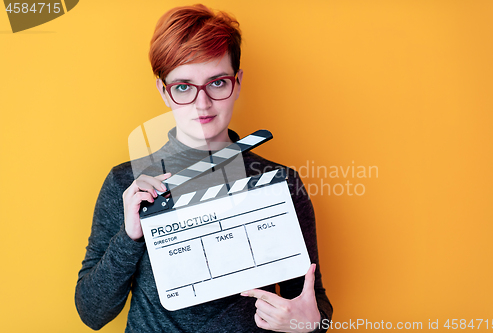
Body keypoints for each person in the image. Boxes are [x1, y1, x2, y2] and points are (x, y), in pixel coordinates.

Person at [75, 4, 333, 332]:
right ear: (164, 92)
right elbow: (92, 313)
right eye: (183, 86)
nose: (202, 103)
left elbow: (313, 302)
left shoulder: (278, 183)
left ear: (237, 83)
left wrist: (309, 325)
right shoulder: (127, 183)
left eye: (217, 82)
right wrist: (130, 236)